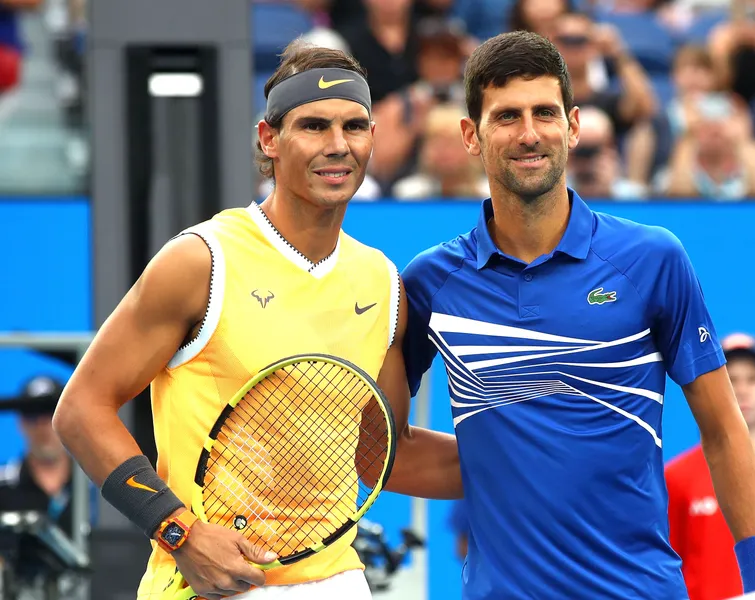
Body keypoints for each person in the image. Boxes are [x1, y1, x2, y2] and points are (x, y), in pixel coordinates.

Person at [53, 41, 460, 600]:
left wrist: (548, 462)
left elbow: (382, 454)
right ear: (269, 140)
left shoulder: (383, 283)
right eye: (313, 126)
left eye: (355, 126)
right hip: (207, 582)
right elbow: (80, 409)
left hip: (338, 583)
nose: (338, 146)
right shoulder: (201, 260)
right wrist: (178, 531)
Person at [401, 30, 755, 599]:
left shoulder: (653, 259)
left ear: (574, 125)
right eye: (506, 116)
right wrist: (504, 464)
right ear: (470, 136)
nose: (529, 134)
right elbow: (382, 453)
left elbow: (726, 432)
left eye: (545, 113)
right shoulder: (431, 281)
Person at [666, 333, 755, 600]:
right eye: (731, 380)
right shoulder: (677, 477)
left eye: (753, 379)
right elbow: (668, 567)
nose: (742, 390)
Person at [0, 376, 83, 538]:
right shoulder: (2, 486)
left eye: (52, 414)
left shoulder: (95, 488)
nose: (43, 427)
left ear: (67, 420)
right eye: (33, 415)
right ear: (21, 423)